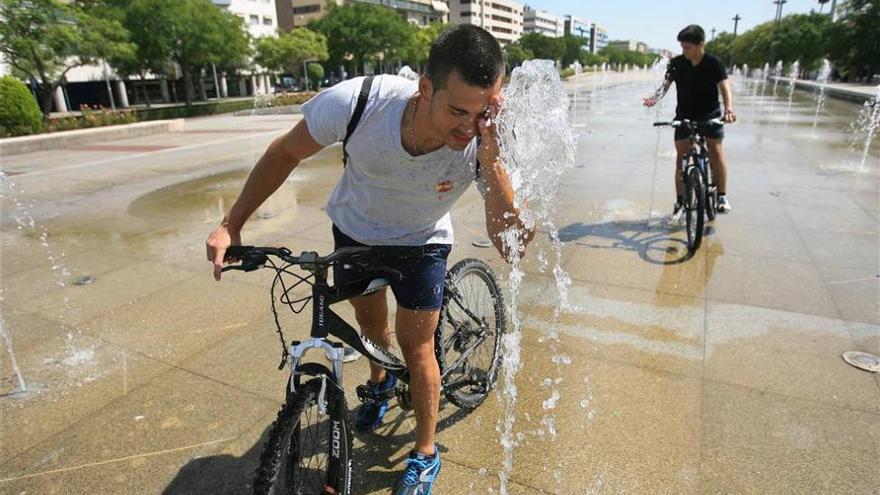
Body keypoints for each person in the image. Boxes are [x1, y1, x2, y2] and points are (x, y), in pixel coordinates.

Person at [205, 25, 532, 494]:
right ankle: (379, 383)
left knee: (417, 346)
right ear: (424, 87)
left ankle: (424, 453)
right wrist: (232, 223)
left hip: (423, 242)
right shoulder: (360, 103)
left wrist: (495, 159)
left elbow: (512, 246)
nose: (468, 126)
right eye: (457, 110)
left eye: (482, 111)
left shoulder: (487, 138)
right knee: (370, 328)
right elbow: (285, 153)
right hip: (355, 232)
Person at [643, 24, 736, 219]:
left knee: (716, 152)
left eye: (688, 47)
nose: (684, 51)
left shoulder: (713, 63)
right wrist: (654, 98)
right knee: (681, 159)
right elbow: (665, 85)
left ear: (700, 45)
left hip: (710, 115)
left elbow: (724, 86)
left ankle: (721, 196)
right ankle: (680, 202)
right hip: (684, 115)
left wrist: (728, 109)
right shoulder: (677, 63)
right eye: (682, 47)